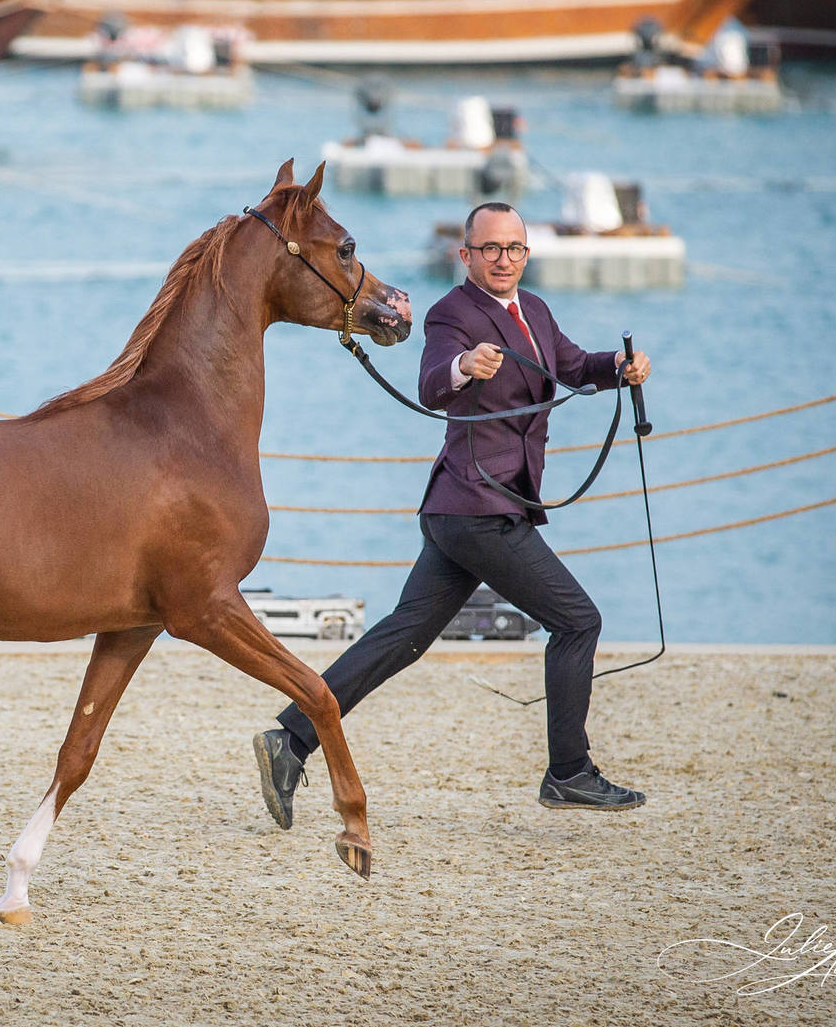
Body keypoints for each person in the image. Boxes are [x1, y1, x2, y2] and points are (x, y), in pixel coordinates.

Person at [254, 201, 653, 824]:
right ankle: (569, 772)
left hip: (471, 508)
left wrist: (620, 369)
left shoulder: (536, 311)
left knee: (404, 636)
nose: (503, 259)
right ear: (465, 255)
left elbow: (573, 366)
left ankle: (291, 737)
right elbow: (431, 384)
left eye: (513, 248)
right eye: (489, 249)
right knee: (577, 621)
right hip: (477, 507)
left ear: (527, 253)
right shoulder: (451, 314)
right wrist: (464, 368)